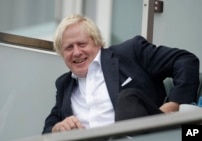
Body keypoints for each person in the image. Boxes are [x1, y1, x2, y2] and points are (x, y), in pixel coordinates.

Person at [42, 14, 200, 134]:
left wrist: (174, 105)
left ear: (97, 42)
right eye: (69, 48)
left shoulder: (130, 52)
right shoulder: (64, 85)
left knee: (129, 98)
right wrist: (58, 128)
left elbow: (185, 61)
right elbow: (47, 131)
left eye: (82, 44)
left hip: (144, 134)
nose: (76, 52)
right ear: (62, 54)